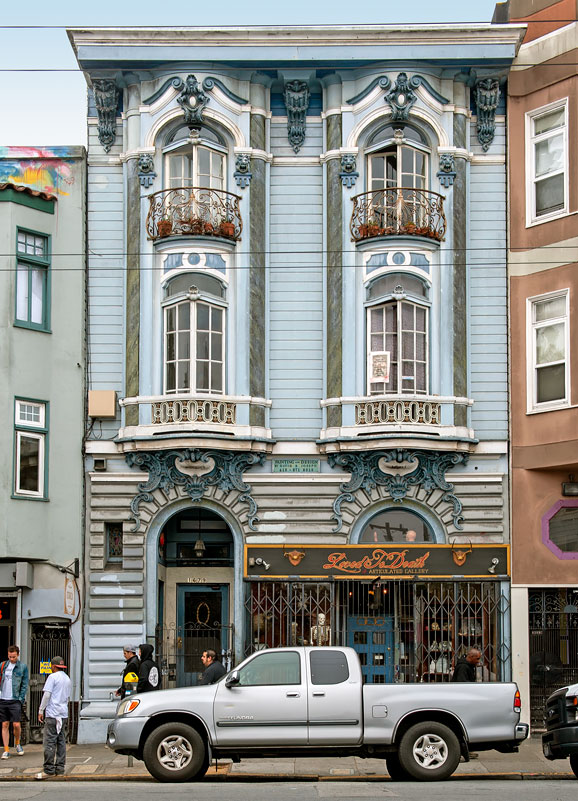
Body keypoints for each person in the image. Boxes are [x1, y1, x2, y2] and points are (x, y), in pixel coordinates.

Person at [36, 656, 72, 779]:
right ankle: (60, 768)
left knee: (49, 742)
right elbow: (67, 698)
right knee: (61, 741)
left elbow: (47, 695)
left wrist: (41, 710)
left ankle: (48, 769)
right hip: (63, 714)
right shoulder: (67, 678)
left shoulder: (52, 677)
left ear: (53, 666)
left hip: (52, 714)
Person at [0, 645, 29, 759]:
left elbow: (24, 684)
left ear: (18, 655)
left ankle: (17, 743)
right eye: (10, 656)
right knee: (5, 724)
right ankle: (6, 749)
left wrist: (21, 698)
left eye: (13, 657)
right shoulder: (2, 665)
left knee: (16, 724)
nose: (11, 659)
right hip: (3, 699)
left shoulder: (22, 667)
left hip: (15, 699)